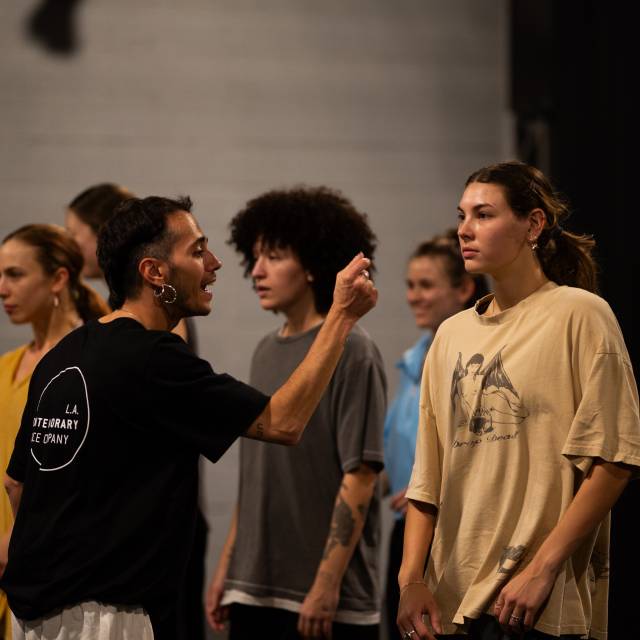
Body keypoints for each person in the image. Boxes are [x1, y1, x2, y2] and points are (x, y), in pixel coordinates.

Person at [0, 195, 376, 640]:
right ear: (155, 272)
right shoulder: (153, 358)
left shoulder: (62, 354)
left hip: (32, 619)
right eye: (197, 251)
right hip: (103, 621)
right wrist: (342, 315)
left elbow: (16, 482)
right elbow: (283, 422)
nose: (214, 263)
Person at [397, 161, 640, 640]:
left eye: (484, 215)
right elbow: (427, 481)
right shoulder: (450, 335)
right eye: (462, 215)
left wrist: (543, 568)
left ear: (532, 224)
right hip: (453, 605)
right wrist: (411, 580)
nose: (465, 229)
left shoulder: (580, 314)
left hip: (535, 603)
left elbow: (613, 458)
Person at [206, 186, 387, 640]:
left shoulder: (354, 349)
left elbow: (360, 474)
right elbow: (256, 473)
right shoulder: (265, 350)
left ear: (311, 265)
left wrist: (326, 585)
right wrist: (229, 565)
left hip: (322, 603)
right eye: (255, 257)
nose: (258, 271)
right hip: (254, 589)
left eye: (275, 256)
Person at [66, 182, 204, 638]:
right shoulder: (106, 321)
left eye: (75, 233)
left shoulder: (159, 324)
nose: (69, 245)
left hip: (155, 524)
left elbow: (167, 388)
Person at [0, 224, 109, 639]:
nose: (2, 288)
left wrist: (20, 537)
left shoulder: (89, 364)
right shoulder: (7, 364)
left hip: (50, 569)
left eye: (15, 274)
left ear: (59, 278)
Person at [383, 230, 488, 640]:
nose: (414, 296)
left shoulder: (474, 365)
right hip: (406, 532)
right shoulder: (413, 363)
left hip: (448, 534)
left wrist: (427, 489)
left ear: (464, 288)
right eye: (410, 285)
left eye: (426, 285)